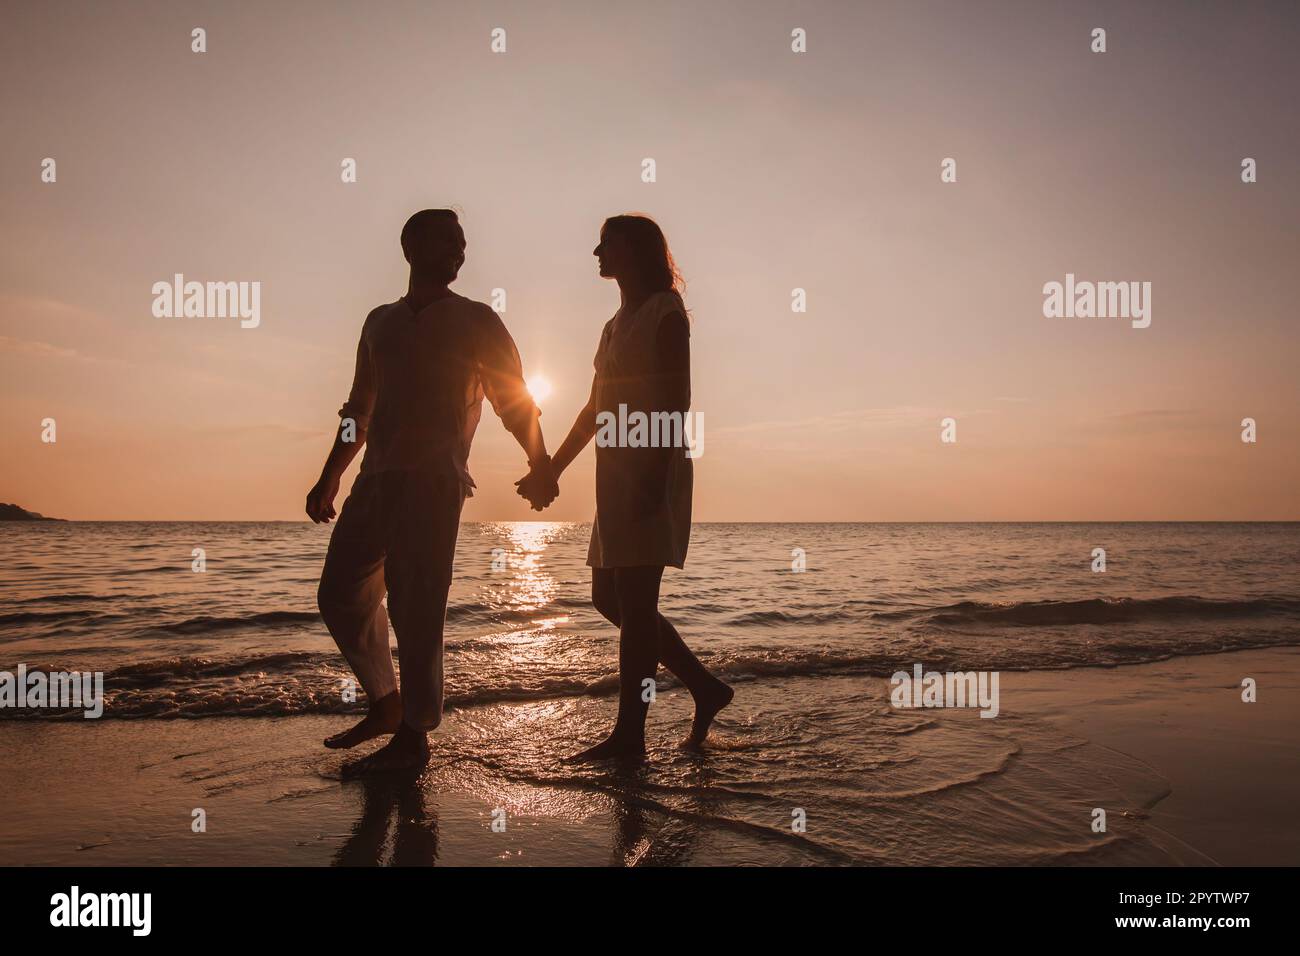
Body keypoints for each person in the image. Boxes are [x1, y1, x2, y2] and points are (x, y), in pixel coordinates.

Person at [307, 209, 558, 774]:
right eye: (449, 241)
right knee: (339, 594)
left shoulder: (477, 319)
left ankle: (415, 739)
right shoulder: (379, 322)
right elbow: (359, 409)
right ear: (411, 246)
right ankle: (387, 702)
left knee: (417, 608)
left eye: (463, 244)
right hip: (375, 479)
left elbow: (513, 399)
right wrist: (330, 475)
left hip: (435, 481)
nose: (460, 252)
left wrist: (540, 461)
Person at [517, 214, 732, 760]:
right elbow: (595, 409)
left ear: (633, 251)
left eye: (606, 243)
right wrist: (553, 469)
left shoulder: (666, 313)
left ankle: (629, 738)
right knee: (608, 597)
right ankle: (705, 687)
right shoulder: (614, 324)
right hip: (614, 473)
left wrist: (653, 482)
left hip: (649, 468)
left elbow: (675, 401)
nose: (595, 251)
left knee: (636, 603)